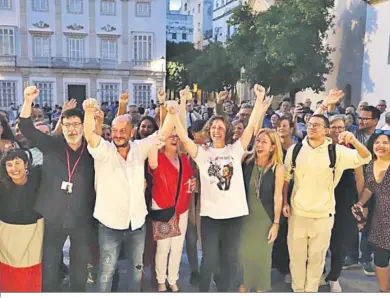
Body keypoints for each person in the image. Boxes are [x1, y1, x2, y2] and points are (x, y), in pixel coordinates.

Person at [172, 84, 271, 292]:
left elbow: (252, 126)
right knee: (208, 261)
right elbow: (183, 136)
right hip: (210, 216)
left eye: (220, 127)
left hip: (234, 216)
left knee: (229, 261)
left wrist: (259, 100)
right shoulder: (201, 152)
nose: (217, 130)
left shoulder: (235, 150)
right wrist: (177, 109)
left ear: (226, 131)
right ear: (209, 130)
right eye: (213, 127)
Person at [282, 89, 372, 292]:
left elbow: (366, 158)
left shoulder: (337, 152)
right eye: (310, 124)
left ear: (326, 130)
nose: (312, 127)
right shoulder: (296, 150)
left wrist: (354, 140)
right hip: (298, 216)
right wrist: (285, 203)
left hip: (323, 217)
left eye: (317, 125)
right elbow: (287, 178)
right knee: (296, 261)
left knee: (316, 262)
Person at [82, 97, 173, 292]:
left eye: (123, 131)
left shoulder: (140, 148)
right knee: (106, 271)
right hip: (109, 223)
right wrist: (89, 113)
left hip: (137, 223)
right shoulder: (104, 151)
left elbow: (162, 134)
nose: (118, 135)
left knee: (136, 271)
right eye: (114, 131)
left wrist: (171, 113)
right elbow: (90, 136)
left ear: (132, 132)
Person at [19, 86, 96, 292]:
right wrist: (28, 101)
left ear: (83, 126)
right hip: (53, 215)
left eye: (76, 124)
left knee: (80, 265)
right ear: (61, 125)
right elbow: (26, 128)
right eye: (67, 124)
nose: (72, 129)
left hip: (81, 216)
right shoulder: (52, 144)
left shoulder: (93, 149)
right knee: (50, 264)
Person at [148, 124, 195, 292]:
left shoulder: (184, 158)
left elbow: (190, 178)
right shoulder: (157, 158)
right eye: (171, 136)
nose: (174, 139)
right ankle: (161, 280)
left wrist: (192, 184)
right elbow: (152, 158)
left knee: (177, 247)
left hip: (182, 207)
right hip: (162, 207)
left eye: (176, 136)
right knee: (163, 248)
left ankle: (173, 279)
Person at [239, 129, 284, 292]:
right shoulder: (245, 160)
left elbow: (277, 197)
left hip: (265, 219)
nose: (259, 144)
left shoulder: (277, 168)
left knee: (262, 260)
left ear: (273, 147)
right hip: (244, 217)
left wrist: (276, 224)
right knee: (244, 258)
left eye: (264, 142)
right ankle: (244, 287)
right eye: (258, 140)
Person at [0, 149, 44, 292]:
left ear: (26, 164)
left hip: (33, 234)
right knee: (9, 279)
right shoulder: (1, 185)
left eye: (18, 163)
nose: (14, 168)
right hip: (7, 237)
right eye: (9, 165)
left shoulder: (38, 177)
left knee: (30, 278)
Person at [353, 130, 390, 292]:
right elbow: (369, 188)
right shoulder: (370, 166)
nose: (380, 146)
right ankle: (384, 291)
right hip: (381, 219)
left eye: (385, 142)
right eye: (377, 142)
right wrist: (360, 203)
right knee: (381, 259)